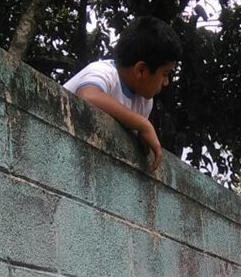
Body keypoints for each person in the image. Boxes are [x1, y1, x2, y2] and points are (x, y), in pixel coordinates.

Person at [63, 17, 182, 171]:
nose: (166, 82)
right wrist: (143, 124)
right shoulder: (104, 72)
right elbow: (88, 96)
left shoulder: (145, 102)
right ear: (141, 70)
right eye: (165, 74)